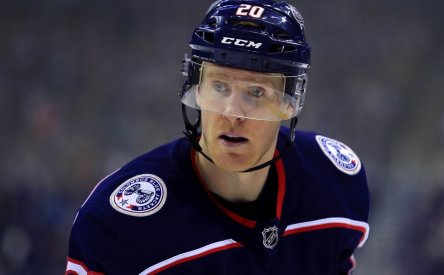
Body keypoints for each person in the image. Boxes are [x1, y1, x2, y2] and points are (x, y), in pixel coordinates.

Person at [65, 0, 370, 274]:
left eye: (256, 91)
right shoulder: (118, 222)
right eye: (220, 86)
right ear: (196, 87)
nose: (232, 113)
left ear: (290, 101)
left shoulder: (334, 184)